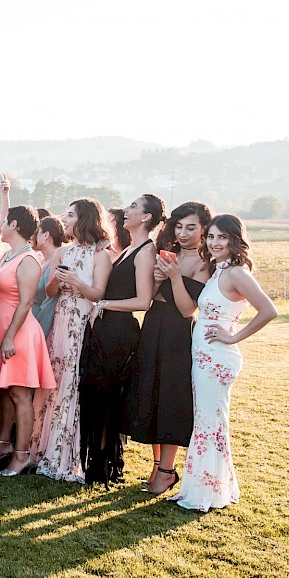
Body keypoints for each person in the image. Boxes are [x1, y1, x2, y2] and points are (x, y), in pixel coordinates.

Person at [170, 215, 277, 511]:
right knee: (207, 423)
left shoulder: (237, 274)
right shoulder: (219, 270)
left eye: (222, 238)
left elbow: (269, 310)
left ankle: (207, 493)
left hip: (218, 358)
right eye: (212, 237)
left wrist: (233, 337)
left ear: (234, 240)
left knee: (210, 424)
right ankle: (209, 488)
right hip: (203, 355)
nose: (215, 243)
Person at [127, 202, 212, 493]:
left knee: (170, 397)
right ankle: (155, 468)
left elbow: (188, 309)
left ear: (204, 230)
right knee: (149, 390)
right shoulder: (168, 254)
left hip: (179, 332)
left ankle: (167, 471)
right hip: (153, 325)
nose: (184, 233)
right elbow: (147, 298)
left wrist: (175, 277)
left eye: (191, 227)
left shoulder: (205, 263)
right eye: (179, 226)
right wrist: (157, 277)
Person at [80, 194, 164, 485]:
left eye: (132, 207)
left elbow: (143, 301)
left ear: (146, 218)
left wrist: (103, 305)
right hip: (106, 329)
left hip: (120, 333)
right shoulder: (130, 249)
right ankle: (95, 463)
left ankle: (103, 467)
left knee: (106, 398)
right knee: (96, 395)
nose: (125, 211)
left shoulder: (146, 252)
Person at [33, 198, 112, 483]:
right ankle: (42, 449)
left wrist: (77, 281)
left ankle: (65, 454)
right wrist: (55, 277)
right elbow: (50, 292)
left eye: (69, 215)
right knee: (53, 381)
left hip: (82, 321)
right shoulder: (64, 251)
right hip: (60, 319)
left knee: (70, 384)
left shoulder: (101, 254)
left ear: (85, 219)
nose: (64, 220)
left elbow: (98, 294)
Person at [0, 206, 56, 477]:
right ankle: (2, 446)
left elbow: (26, 302)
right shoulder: (6, 255)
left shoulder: (28, 259)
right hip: (0, 326)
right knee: (3, 390)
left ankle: (22, 454)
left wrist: (9, 337)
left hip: (19, 332)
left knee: (19, 393)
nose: (0, 227)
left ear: (13, 224)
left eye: (4, 222)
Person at [31, 216, 67, 337]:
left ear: (46, 235)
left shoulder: (59, 262)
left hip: (42, 327)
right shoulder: (41, 261)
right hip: (31, 321)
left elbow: (49, 303)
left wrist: (36, 333)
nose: (32, 237)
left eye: (36, 232)